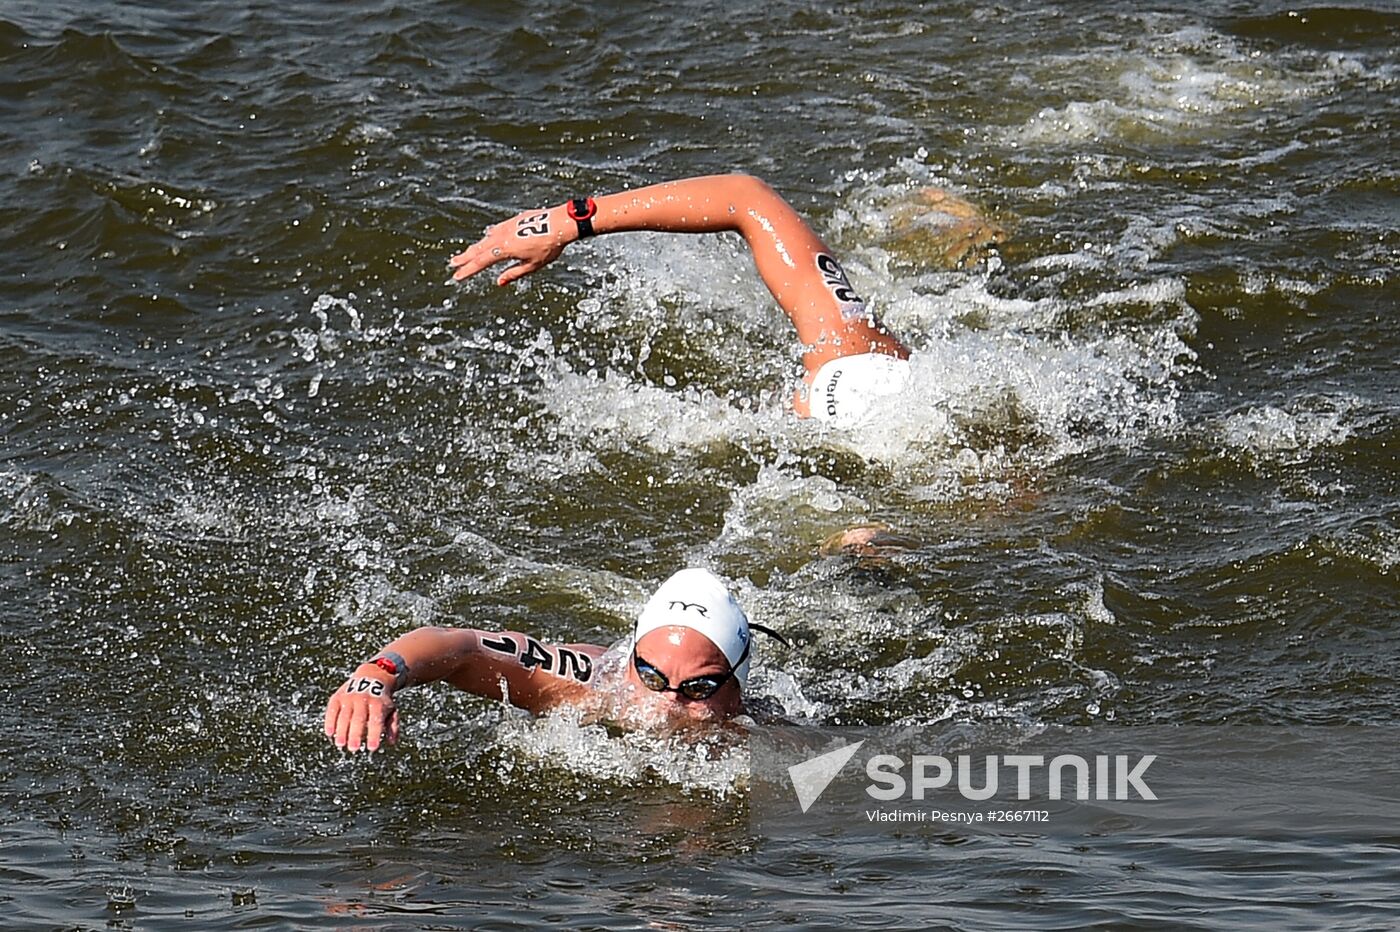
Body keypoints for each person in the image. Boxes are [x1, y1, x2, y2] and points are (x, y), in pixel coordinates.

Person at [449, 173, 916, 427]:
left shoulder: (847, 348)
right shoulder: (850, 346)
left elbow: (745, 195)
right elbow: (745, 196)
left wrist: (571, 220)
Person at [324, 568, 778, 752]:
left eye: (698, 689)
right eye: (652, 677)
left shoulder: (766, 733)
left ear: (738, 685)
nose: (669, 704)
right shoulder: (589, 682)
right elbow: (461, 645)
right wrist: (376, 675)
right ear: (630, 662)